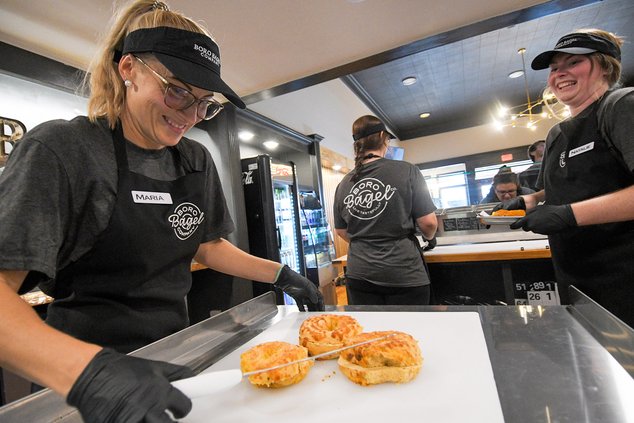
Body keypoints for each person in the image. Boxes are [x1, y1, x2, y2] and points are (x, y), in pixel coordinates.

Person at [0, 1, 323, 421]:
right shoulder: (64, 151)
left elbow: (206, 246)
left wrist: (278, 273)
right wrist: (89, 375)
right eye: (177, 91)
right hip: (82, 376)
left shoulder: (194, 159)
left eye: (205, 103)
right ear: (128, 69)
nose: (190, 116)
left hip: (174, 355)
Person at [494, 29, 634, 327]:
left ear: (606, 66)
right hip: (575, 278)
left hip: (623, 277)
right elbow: (558, 187)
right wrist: (529, 200)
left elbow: (570, 207)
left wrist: (568, 215)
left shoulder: (621, 106)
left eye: (573, 63)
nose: (560, 74)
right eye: (555, 68)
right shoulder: (557, 133)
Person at [333, 115, 438, 305]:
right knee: (411, 332)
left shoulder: (343, 184)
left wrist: (366, 240)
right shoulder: (407, 171)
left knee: (370, 333)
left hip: (359, 273)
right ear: (383, 137)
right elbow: (429, 223)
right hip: (403, 272)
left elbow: (341, 231)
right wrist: (430, 239)